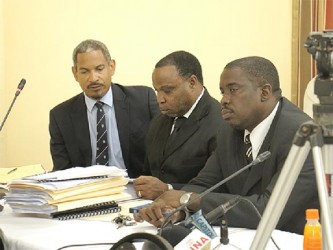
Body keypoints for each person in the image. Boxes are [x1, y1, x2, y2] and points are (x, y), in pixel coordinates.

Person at [135, 56, 319, 234]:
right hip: (242, 236)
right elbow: (205, 184)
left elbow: (268, 210)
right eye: (223, 91)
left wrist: (187, 200)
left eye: (234, 90)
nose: (224, 99)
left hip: (294, 240)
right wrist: (175, 210)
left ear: (264, 92)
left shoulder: (302, 136)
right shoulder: (230, 131)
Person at [49, 39, 160, 178]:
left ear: (111, 67)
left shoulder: (143, 100)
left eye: (99, 69)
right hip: (87, 192)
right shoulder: (60, 116)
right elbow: (63, 172)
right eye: (84, 72)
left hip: (136, 189)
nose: (93, 78)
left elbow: (163, 152)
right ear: (75, 73)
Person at [133, 51, 223, 200]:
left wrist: (168, 190)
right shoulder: (159, 120)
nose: (159, 99)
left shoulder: (221, 122)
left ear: (192, 83)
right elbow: (149, 173)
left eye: (167, 90)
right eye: (157, 90)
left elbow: (218, 185)